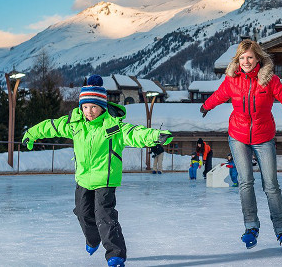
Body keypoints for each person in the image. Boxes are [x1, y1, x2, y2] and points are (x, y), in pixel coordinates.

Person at [21, 75, 173, 267]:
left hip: (105, 179)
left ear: (102, 106)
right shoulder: (75, 125)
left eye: (93, 107)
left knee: (105, 216)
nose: (89, 112)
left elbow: (134, 133)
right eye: (85, 107)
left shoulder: (112, 127)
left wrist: (155, 136)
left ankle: (115, 255)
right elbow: (51, 126)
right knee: (83, 213)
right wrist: (31, 134)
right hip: (83, 179)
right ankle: (92, 240)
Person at [200, 39, 282, 250]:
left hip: (264, 136)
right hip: (238, 136)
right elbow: (220, 95)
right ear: (237, 60)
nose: (246, 61)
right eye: (242, 58)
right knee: (245, 182)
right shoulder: (232, 80)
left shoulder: (270, 80)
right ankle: (251, 226)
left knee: (271, 185)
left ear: (257, 58)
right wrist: (206, 105)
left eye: (250, 57)